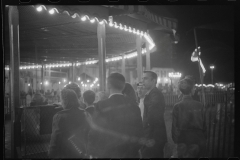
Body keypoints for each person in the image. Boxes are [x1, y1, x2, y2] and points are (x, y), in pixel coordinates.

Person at [87, 73, 143, 158]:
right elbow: (139, 132)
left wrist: (92, 152)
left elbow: (95, 132)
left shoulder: (101, 105)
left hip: (108, 153)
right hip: (130, 154)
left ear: (108, 85)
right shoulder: (134, 107)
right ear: (123, 86)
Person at [48, 88, 90, 158]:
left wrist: (51, 154)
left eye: (61, 100)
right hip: (81, 151)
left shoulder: (60, 116)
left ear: (64, 101)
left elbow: (55, 138)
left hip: (65, 153)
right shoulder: (85, 113)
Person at [171, 78, 207, 158]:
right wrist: (204, 138)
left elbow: (174, 128)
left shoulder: (177, 106)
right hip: (198, 138)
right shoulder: (200, 105)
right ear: (191, 90)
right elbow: (205, 126)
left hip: (182, 139)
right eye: (194, 88)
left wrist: (177, 141)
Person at [140, 70, 167, 158]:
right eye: (142, 79)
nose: (143, 81)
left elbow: (152, 116)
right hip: (153, 136)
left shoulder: (155, 94)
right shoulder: (151, 94)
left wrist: (147, 135)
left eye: (145, 79)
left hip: (153, 137)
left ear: (154, 80)